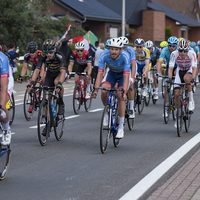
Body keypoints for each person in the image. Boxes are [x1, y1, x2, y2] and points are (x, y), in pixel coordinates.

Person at [93, 38, 130, 139]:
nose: (114, 51)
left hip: (123, 75)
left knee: (120, 95)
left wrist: (125, 92)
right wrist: (96, 89)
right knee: (104, 91)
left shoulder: (125, 56)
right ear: (109, 48)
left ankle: (121, 126)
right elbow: (100, 73)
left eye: (116, 49)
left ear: (121, 50)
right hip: (112, 74)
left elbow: (126, 77)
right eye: (112, 49)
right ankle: (107, 112)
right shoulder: (104, 55)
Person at [27, 39, 66, 116]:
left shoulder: (60, 56)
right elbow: (37, 69)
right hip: (50, 73)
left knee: (56, 83)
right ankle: (46, 119)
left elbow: (63, 72)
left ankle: (61, 101)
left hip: (59, 73)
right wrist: (32, 82)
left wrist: (59, 84)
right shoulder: (43, 55)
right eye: (46, 52)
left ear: (54, 49)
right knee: (46, 97)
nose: (48, 54)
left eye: (50, 52)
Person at [167, 39, 196, 128]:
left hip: (189, 70)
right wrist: (169, 78)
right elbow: (171, 68)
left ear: (188, 50)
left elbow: (194, 68)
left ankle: (191, 100)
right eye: (180, 50)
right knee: (176, 94)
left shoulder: (192, 53)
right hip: (179, 71)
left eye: (185, 51)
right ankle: (177, 116)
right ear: (178, 50)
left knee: (187, 79)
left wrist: (193, 78)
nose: (182, 53)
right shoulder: (174, 54)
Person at [156, 36, 179, 117]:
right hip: (169, 68)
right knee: (166, 86)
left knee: (177, 82)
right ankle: (166, 107)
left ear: (176, 45)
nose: (171, 47)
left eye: (173, 46)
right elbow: (160, 61)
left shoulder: (179, 50)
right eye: (170, 45)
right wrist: (158, 72)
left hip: (178, 68)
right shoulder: (165, 50)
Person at [119, 36, 136, 119]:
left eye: (125, 46)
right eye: (121, 46)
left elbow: (133, 64)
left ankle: (132, 108)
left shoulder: (130, 50)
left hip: (128, 68)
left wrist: (132, 77)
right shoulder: (117, 50)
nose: (123, 48)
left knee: (130, 85)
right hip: (119, 69)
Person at [0, 52, 14, 145]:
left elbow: (4, 88)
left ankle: (6, 129)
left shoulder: (2, 59)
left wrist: (1, 106)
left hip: (5, 81)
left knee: (3, 106)